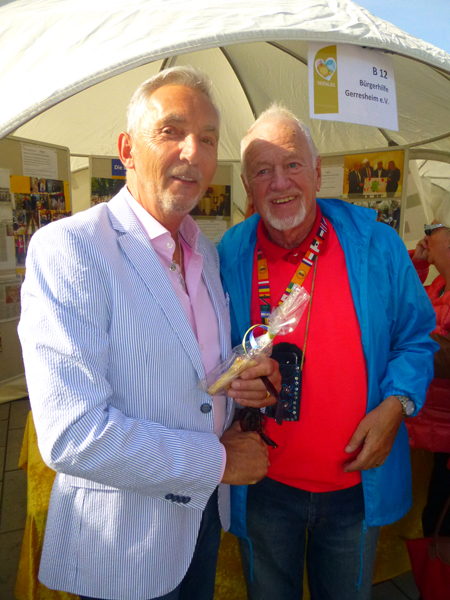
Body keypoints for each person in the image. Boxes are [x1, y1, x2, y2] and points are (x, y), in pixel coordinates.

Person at [18, 67, 280, 600]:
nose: (193, 152)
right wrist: (220, 460)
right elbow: (73, 433)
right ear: (127, 150)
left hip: (200, 521)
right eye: (171, 131)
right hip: (122, 541)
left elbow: (192, 373)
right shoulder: (71, 247)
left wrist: (241, 379)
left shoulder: (204, 251)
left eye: (208, 139)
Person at [218, 105, 437, 600]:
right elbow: (209, 354)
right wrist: (234, 379)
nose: (280, 182)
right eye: (263, 171)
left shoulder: (376, 245)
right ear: (248, 188)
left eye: (292, 164)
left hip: (354, 487)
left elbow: (417, 337)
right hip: (262, 487)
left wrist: (396, 406)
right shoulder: (229, 253)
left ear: (317, 173)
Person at [407, 207, 450, 537]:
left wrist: (409, 340)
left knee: (438, 520)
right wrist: (419, 264)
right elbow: (407, 302)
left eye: (430, 230)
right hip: (429, 421)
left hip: (443, 428)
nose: (424, 238)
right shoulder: (439, 285)